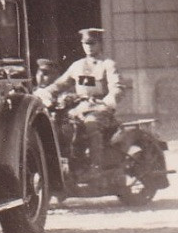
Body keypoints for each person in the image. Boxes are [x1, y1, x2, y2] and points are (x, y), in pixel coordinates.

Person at [36, 27, 123, 168]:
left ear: (100, 44)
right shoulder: (77, 65)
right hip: (79, 108)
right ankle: (72, 164)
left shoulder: (108, 65)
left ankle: (96, 168)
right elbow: (60, 84)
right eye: (85, 44)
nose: (88, 47)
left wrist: (110, 99)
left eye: (92, 43)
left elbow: (117, 87)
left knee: (91, 124)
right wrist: (46, 92)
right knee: (61, 124)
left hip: (100, 108)